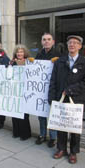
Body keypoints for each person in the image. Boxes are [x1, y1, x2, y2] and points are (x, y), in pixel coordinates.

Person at [49, 35, 85, 164]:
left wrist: (70, 90)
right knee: (61, 126)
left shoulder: (83, 61)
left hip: (77, 99)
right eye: (70, 42)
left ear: (80, 46)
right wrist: (51, 98)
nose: (72, 45)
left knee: (74, 128)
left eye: (75, 43)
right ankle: (61, 149)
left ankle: (73, 152)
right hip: (61, 99)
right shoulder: (60, 61)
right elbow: (53, 80)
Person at [31, 33, 61, 147]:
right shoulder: (39, 54)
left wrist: (58, 62)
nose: (46, 41)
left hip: (52, 88)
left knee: (52, 113)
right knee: (41, 113)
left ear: (53, 41)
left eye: (49, 39)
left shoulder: (58, 54)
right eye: (44, 40)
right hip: (40, 89)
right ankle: (42, 134)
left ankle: (53, 137)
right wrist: (32, 63)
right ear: (41, 42)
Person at [10, 44, 31, 140]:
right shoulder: (11, 62)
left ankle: (25, 134)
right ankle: (16, 132)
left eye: (21, 52)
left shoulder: (29, 62)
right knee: (15, 112)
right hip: (14, 90)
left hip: (25, 91)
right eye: (18, 52)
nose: (19, 53)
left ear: (24, 53)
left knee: (24, 113)